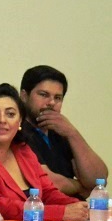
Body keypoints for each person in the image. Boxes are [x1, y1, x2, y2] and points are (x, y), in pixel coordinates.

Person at [0, 83, 87, 221]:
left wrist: (78, 207)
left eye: (10, 114)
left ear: (19, 122)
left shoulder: (23, 150)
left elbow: (48, 192)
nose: (2, 120)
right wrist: (60, 213)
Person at [19, 65, 108, 198]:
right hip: (40, 208)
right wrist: (81, 187)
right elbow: (49, 182)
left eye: (58, 98)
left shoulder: (61, 131)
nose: (51, 102)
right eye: (43, 95)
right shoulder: (17, 132)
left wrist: (73, 134)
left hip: (77, 207)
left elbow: (97, 180)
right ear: (24, 96)